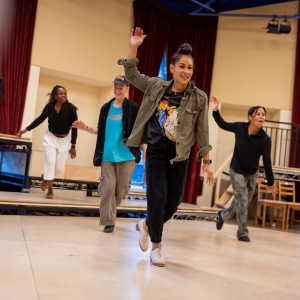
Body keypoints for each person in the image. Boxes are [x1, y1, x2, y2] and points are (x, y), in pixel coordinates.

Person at [117, 27, 215, 267]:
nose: (186, 71)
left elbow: (202, 131)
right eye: (182, 66)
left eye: (190, 67)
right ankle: (157, 246)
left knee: (171, 204)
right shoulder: (155, 86)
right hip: (157, 148)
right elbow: (130, 74)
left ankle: (146, 225)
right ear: (172, 68)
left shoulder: (199, 97)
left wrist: (208, 162)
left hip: (181, 154)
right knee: (157, 197)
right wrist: (134, 47)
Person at [72, 75, 146, 233]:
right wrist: (85, 128)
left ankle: (110, 210)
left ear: (127, 88)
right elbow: (101, 131)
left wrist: (145, 150)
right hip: (107, 156)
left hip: (127, 156)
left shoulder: (133, 108)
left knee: (120, 189)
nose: (117, 90)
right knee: (108, 187)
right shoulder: (106, 108)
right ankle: (108, 221)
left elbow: (140, 131)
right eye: (116, 87)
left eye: (121, 87)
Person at [210, 96, 278, 242]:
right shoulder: (240, 127)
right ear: (250, 117)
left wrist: (271, 182)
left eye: (263, 114)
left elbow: (267, 161)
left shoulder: (265, 139)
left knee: (242, 203)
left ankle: (223, 215)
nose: (262, 116)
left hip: (252, 173)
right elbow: (223, 124)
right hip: (236, 170)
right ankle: (242, 233)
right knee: (241, 200)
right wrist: (215, 110)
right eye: (258, 114)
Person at [16, 85, 78, 199]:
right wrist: (25, 130)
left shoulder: (70, 109)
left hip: (65, 140)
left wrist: (73, 145)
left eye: (65, 93)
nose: (64, 95)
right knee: (50, 163)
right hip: (50, 138)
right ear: (55, 95)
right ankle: (50, 190)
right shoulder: (49, 107)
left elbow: (74, 127)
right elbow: (39, 119)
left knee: (58, 169)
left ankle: (45, 176)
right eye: (61, 93)